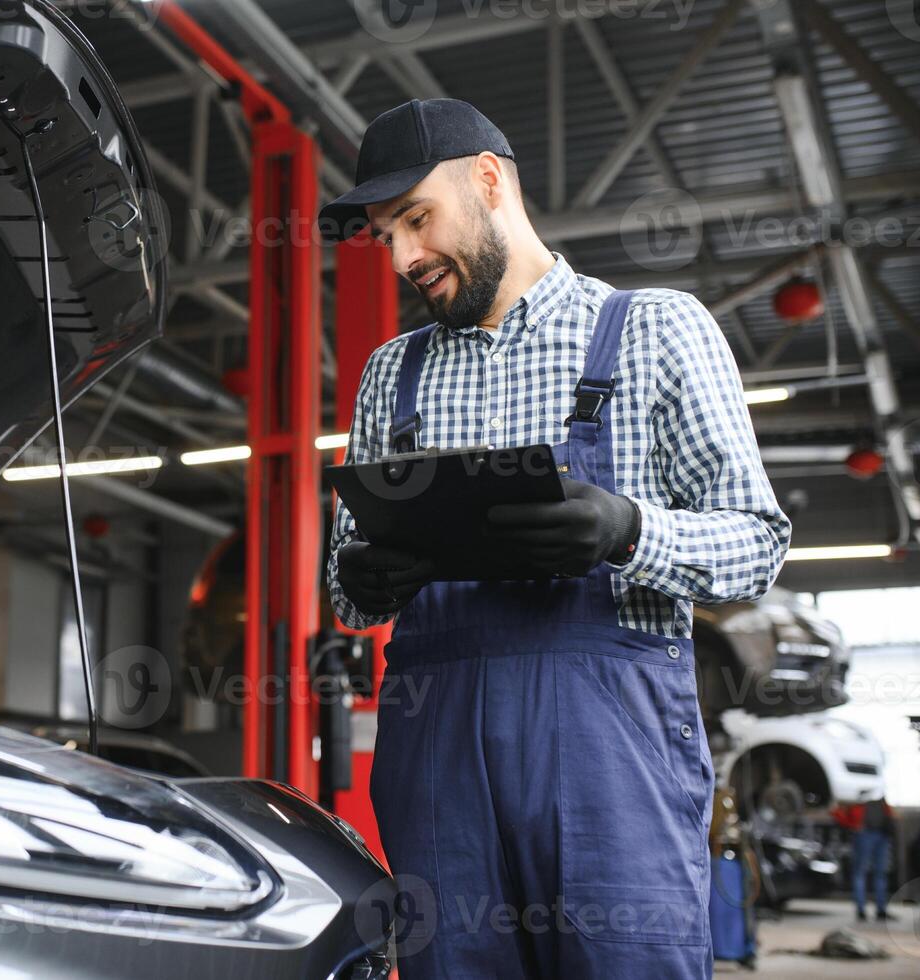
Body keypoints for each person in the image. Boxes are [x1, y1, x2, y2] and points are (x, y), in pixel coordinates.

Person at [319, 99, 791, 979]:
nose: (404, 258)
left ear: (490, 181)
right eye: (386, 236)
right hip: (437, 750)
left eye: (416, 220)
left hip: (608, 746)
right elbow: (344, 596)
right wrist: (365, 577)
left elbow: (757, 542)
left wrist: (628, 529)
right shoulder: (392, 374)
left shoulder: (653, 328)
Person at [835, 792, 899, 921]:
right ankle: (880, 909)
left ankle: (861, 910)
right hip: (880, 835)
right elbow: (890, 814)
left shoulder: (855, 794)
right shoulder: (878, 794)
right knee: (878, 873)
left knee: (860, 873)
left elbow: (838, 813)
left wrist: (853, 826)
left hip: (865, 834)